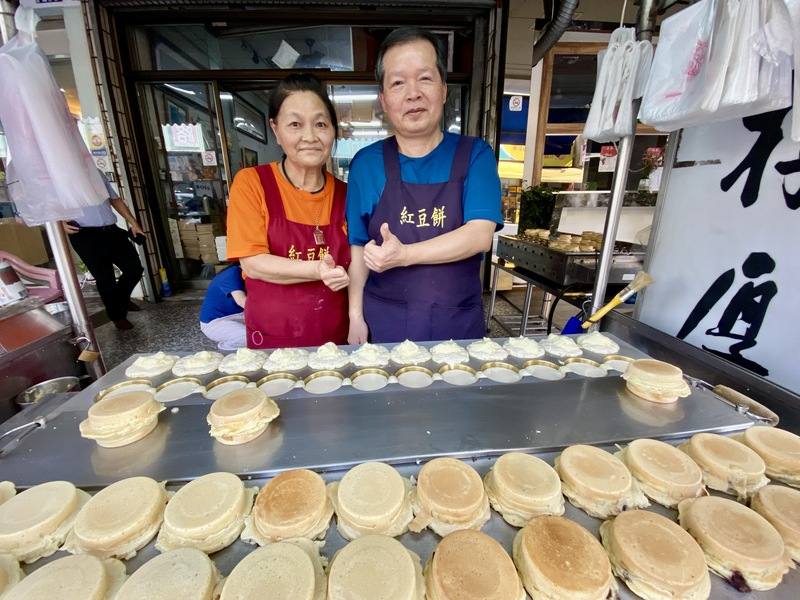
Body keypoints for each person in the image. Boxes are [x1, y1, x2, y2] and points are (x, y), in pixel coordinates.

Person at [346, 28, 503, 344]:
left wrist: (404, 254)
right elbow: (359, 248)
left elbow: (479, 236)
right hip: (385, 325)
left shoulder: (475, 154)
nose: (412, 93)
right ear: (384, 100)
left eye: (425, 78)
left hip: (457, 327)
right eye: (398, 82)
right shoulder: (366, 163)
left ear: (444, 90)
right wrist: (354, 318)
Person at [226, 73, 351, 349]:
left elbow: (358, 264)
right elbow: (253, 263)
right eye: (295, 124)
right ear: (276, 130)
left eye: (320, 124)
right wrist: (318, 269)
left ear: (332, 130)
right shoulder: (252, 183)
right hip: (273, 337)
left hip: (336, 338)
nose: (310, 136)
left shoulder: (347, 194)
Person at [64, 172, 145, 330]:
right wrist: (58, 223)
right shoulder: (57, 177)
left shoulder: (95, 172)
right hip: (84, 235)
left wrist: (133, 223)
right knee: (105, 278)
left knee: (134, 269)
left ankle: (120, 300)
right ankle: (117, 316)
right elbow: (46, 209)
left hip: (111, 230)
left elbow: (114, 199)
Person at [199, 264, 247, 350]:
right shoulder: (232, 273)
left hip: (238, 315)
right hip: (215, 323)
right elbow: (242, 301)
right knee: (246, 338)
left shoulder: (249, 274)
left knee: (267, 332)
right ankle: (226, 349)